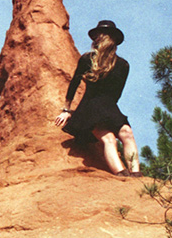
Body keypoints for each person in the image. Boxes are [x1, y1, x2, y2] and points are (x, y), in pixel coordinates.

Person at [54, 20, 141, 176]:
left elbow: (117, 93)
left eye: (104, 35)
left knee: (127, 133)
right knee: (109, 139)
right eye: (99, 35)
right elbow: (74, 83)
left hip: (109, 106)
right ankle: (121, 174)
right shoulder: (88, 59)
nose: (100, 38)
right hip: (90, 107)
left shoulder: (123, 65)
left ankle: (136, 174)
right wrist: (67, 110)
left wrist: (110, 111)